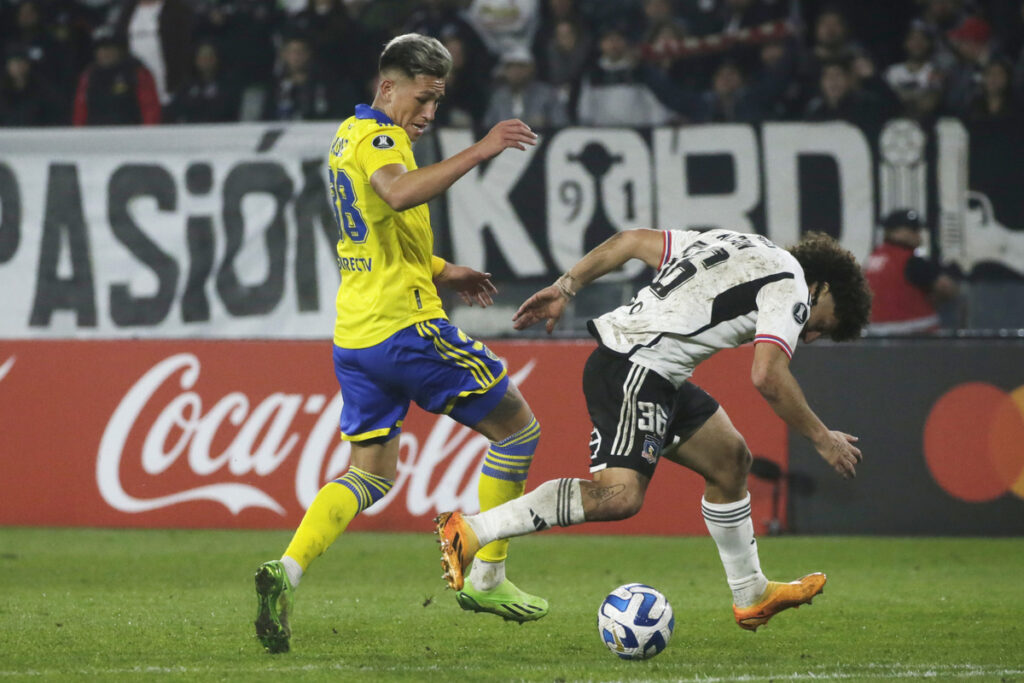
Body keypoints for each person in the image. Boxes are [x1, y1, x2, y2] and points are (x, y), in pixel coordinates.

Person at [253, 33, 547, 655]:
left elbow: (376, 231)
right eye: (424, 98)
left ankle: (287, 572)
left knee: (371, 473)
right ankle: (488, 576)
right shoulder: (382, 139)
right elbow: (397, 193)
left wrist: (444, 269)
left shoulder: (345, 137)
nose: (429, 114)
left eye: (438, 102)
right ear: (388, 89)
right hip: (405, 328)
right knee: (518, 431)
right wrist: (483, 148)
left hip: (356, 335)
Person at [436, 227, 872, 632]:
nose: (811, 335)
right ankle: (474, 531)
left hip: (653, 372)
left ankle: (751, 593)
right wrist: (823, 437)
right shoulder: (793, 283)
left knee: (730, 459)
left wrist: (566, 285)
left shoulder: (738, 243)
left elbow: (629, 241)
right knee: (619, 496)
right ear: (825, 286)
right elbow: (768, 376)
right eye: (824, 323)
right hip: (636, 370)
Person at [864, 209, 960, 335]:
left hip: (876, 335)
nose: (917, 235)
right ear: (894, 231)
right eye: (912, 229)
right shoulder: (911, 260)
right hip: (916, 336)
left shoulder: (872, 259)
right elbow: (948, 289)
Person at [72, 26, 161, 126]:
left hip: (130, 133)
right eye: (100, 49)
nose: (104, 53)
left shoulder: (136, 72)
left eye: (109, 48)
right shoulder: (89, 75)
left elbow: (149, 107)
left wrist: (148, 133)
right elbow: (80, 109)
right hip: (95, 134)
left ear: (119, 50)